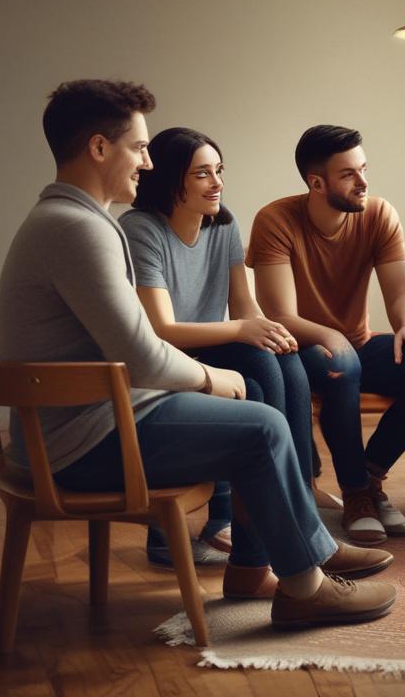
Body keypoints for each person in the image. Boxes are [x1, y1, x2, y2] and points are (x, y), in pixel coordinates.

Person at [0, 80, 395, 628]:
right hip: (82, 441)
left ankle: (262, 567)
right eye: (138, 147)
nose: (146, 160)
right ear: (98, 148)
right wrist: (211, 379)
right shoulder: (81, 230)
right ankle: (305, 585)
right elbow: (143, 351)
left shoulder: (69, 223)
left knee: (258, 404)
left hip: (85, 426)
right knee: (261, 427)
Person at [119, 127, 323, 569]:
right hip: (167, 357)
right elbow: (160, 330)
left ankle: (294, 506)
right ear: (172, 180)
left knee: (282, 360)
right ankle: (240, 521)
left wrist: (266, 330)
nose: (217, 183)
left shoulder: (223, 222)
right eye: (202, 175)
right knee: (256, 367)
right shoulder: (140, 230)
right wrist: (240, 331)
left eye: (219, 171)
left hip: (213, 345)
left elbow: (244, 306)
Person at [247, 125, 405, 546]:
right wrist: (328, 335)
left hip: (355, 342)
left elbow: (401, 293)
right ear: (316, 182)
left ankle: (371, 479)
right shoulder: (275, 220)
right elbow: (280, 314)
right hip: (300, 347)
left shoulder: (378, 214)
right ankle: (356, 494)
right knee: (341, 364)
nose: (363, 182)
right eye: (348, 174)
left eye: (364, 169)